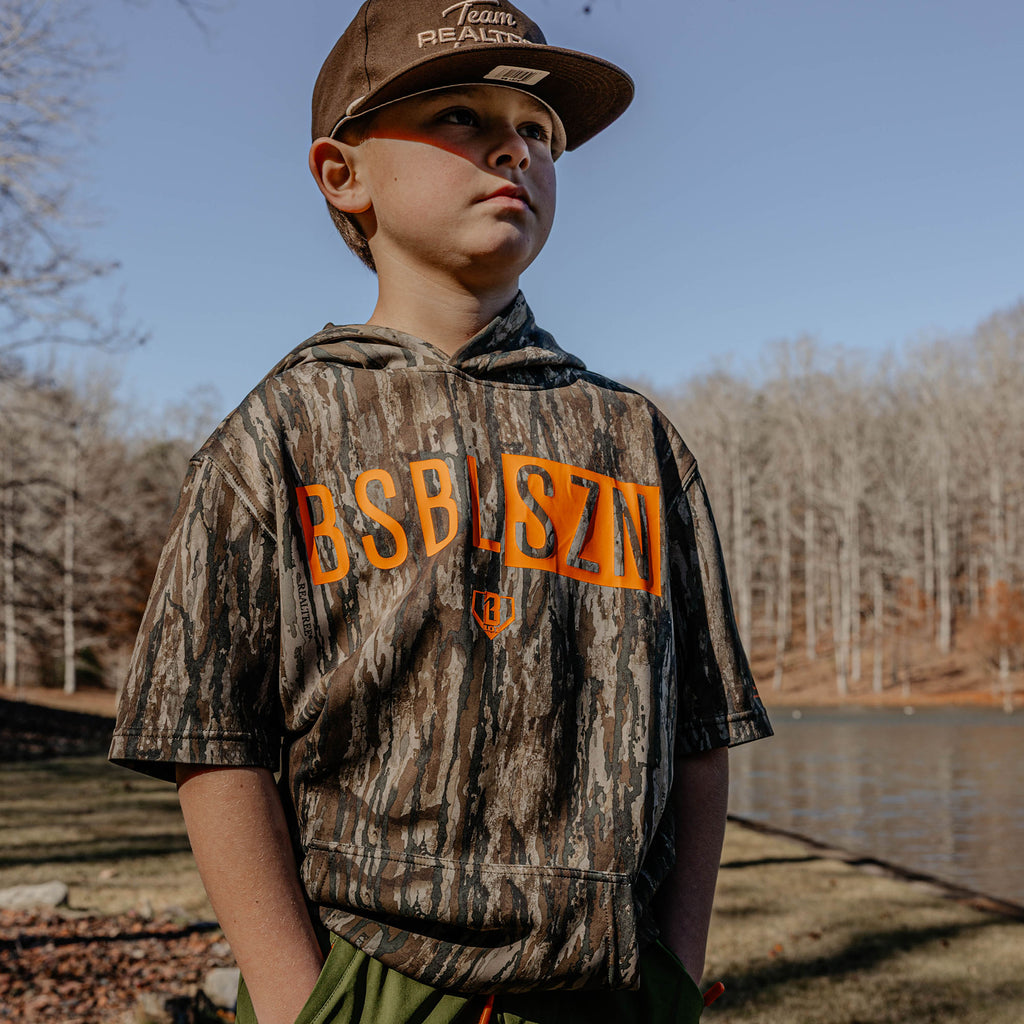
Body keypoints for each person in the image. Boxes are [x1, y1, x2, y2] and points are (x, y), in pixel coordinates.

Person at [110, 2, 772, 1022]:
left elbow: (699, 728)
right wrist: (300, 1002)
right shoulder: (280, 433)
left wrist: (674, 968)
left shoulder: (633, 441)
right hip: (370, 978)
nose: (516, 146)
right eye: (462, 116)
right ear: (344, 174)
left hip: (609, 984)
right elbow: (209, 739)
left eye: (539, 131)